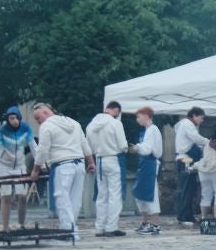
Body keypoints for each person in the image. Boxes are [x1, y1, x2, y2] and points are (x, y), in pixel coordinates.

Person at [27, 102, 90, 242]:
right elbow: (84, 143)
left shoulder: (47, 126)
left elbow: (42, 149)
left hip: (63, 165)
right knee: (75, 199)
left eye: (38, 118)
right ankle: (71, 230)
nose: (38, 122)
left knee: (62, 197)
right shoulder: (73, 122)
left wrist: (35, 169)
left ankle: (68, 230)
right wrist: (90, 162)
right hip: (79, 163)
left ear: (45, 113)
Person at [0, 105, 36, 230]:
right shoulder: (2, 131)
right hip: (4, 165)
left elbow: (33, 146)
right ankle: (5, 227)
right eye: (11, 118)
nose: (14, 121)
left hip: (20, 165)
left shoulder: (25, 128)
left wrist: (41, 163)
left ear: (20, 118)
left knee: (23, 196)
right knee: (6, 196)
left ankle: (21, 224)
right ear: (7, 120)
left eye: (16, 118)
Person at [85, 101, 128, 237]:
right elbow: (123, 146)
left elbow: (88, 147)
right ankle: (111, 226)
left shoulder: (91, 125)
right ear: (116, 110)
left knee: (101, 195)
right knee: (115, 194)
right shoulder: (115, 123)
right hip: (113, 159)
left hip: (99, 159)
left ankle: (100, 227)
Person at [130, 106, 164, 234]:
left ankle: (155, 224)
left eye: (138, 116)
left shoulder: (152, 130)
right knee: (140, 193)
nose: (137, 119)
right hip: (144, 164)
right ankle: (145, 222)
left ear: (146, 116)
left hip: (150, 163)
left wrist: (137, 148)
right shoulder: (146, 131)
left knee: (150, 193)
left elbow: (148, 149)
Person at [172, 107, 207, 226]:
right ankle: (183, 217)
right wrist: (209, 142)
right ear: (194, 115)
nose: (202, 121)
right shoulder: (188, 124)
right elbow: (196, 138)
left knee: (189, 188)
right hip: (185, 158)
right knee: (186, 188)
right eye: (201, 118)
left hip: (184, 158)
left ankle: (188, 215)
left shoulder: (183, 124)